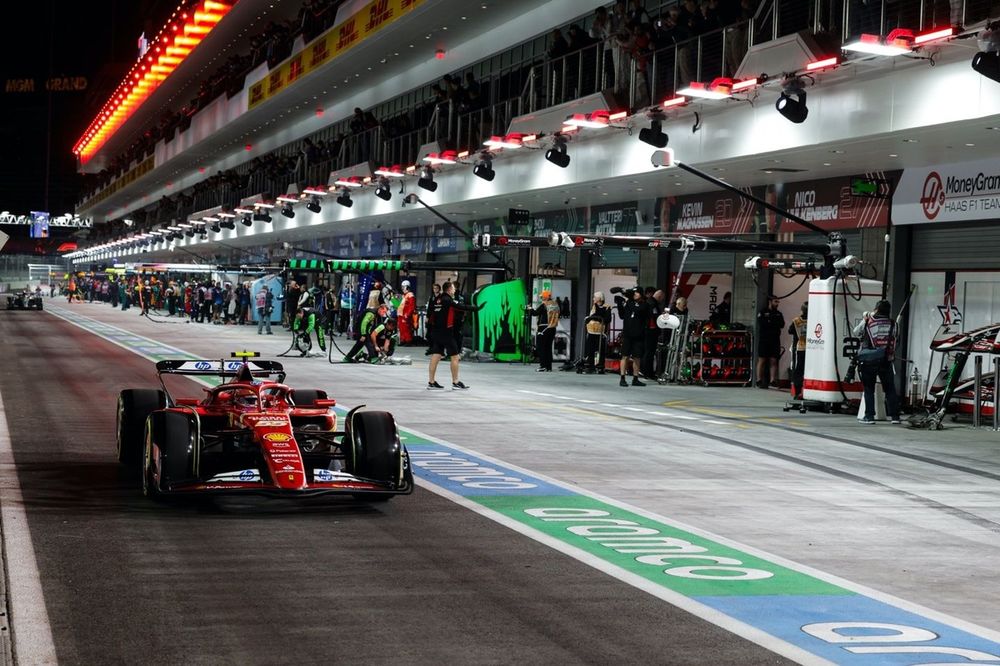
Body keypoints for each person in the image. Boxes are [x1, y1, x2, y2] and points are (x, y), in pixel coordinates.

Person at [427, 281, 483, 390]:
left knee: (436, 355)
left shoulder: (437, 299)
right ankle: (455, 382)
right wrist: (477, 308)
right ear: (449, 289)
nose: (455, 290)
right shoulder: (448, 300)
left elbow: (430, 314)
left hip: (436, 331)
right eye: (453, 288)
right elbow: (462, 307)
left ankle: (431, 382)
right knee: (455, 356)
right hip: (446, 333)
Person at [854, 300, 901, 424]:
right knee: (890, 389)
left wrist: (864, 319)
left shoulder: (869, 321)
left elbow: (856, 332)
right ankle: (895, 417)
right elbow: (897, 340)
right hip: (886, 360)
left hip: (869, 360)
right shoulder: (894, 324)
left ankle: (869, 416)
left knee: (869, 389)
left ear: (876, 309)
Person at [614, 287, 648, 386]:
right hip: (627, 335)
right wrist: (619, 304)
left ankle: (635, 378)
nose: (635, 294)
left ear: (641, 294)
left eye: (637, 292)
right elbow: (622, 315)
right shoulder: (629, 303)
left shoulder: (645, 305)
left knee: (637, 357)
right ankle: (622, 378)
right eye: (634, 293)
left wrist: (627, 300)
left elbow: (637, 310)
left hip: (639, 335)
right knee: (625, 356)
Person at [756, 295, 785, 388]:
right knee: (762, 360)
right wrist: (772, 323)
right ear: (770, 302)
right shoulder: (762, 312)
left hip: (775, 340)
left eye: (778, 302)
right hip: (764, 340)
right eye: (775, 302)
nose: (777, 304)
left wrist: (770, 322)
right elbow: (762, 323)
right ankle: (759, 380)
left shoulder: (779, 314)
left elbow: (782, 324)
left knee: (774, 360)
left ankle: (772, 380)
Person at [580, 291, 612, 374]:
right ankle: (590, 366)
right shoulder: (594, 306)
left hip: (601, 333)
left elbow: (607, 318)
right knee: (590, 349)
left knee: (601, 350)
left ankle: (600, 366)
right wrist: (595, 317)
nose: (593, 299)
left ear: (599, 298)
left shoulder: (607, 307)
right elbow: (591, 317)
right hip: (591, 331)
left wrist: (596, 317)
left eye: (595, 297)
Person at [531, 290, 561, 372]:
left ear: (546, 297)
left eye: (542, 297)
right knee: (548, 348)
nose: (541, 298)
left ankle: (543, 366)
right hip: (552, 328)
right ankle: (548, 367)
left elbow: (535, 313)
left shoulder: (544, 305)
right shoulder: (555, 304)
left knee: (541, 348)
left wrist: (529, 309)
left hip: (543, 328)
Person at [789, 301, 808, 400]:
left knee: (798, 370)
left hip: (800, 347)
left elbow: (790, 331)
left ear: (802, 310)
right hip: (813, 348)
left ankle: (797, 392)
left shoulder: (796, 321)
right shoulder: (814, 320)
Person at [398, 280, 416, 345]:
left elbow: (412, 306)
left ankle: (408, 340)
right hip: (400, 314)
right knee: (401, 328)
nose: (402, 288)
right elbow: (397, 305)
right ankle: (403, 340)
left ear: (407, 287)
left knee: (406, 328)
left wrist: (408, 314)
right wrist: (392, 298)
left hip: (405, 314)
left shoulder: (410, 295)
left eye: (403, 287)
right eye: (402, 287)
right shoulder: (403, 295)